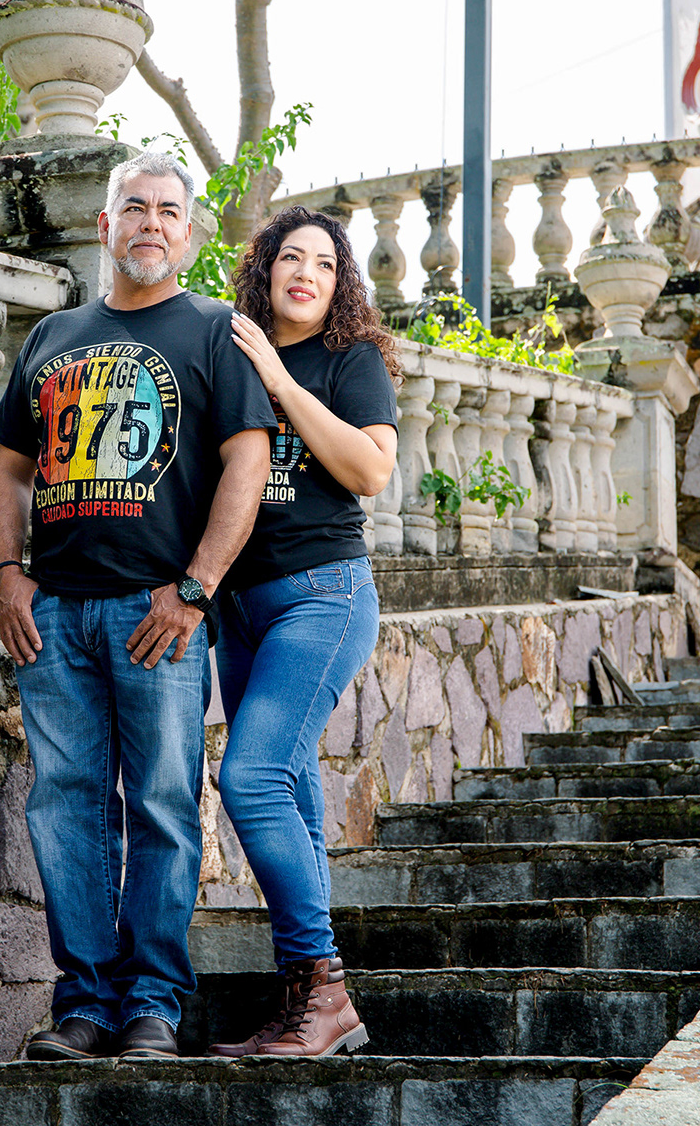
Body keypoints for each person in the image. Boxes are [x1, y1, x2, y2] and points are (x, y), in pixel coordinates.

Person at [0, 150, 276, 1061]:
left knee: (160, 805)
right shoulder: (53, 335)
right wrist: (7, 573)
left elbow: (248, 465)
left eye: (169, 211)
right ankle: (85, 1005)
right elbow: (9, 470)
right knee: (64, 807)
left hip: (161, 619)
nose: (152, 223)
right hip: (56, 615)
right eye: (135, 208)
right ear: (105, 226)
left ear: (189, 235)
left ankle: (152, 1003)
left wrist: (195, 590)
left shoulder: (215, 331)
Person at [204, 205, 401, 1058]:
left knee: (248, 778)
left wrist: (283, 385)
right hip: (241, 607)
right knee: (290, 790)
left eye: (325, 263)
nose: (307, 274)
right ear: (267, 268)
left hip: (324, 594)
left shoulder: (350, 360)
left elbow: (371, 469)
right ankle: (303, 1008)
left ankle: (327, 991)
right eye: (292, 257)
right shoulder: (229, 349)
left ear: (340, 281)